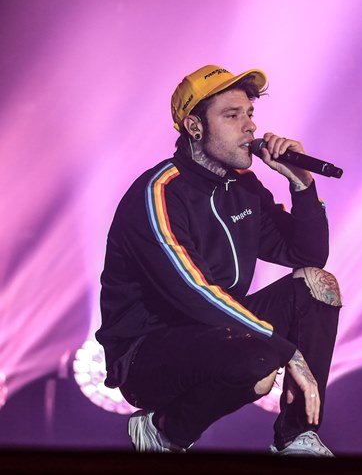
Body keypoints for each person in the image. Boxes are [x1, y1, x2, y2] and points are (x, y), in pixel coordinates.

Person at [96, 65, 341, 455]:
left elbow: (307, 254)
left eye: (250, 114)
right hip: (148, 352)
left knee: (317, 284)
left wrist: (301, 183)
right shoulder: (160, 193)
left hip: (216, 330)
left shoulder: (242, 187)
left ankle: (296, 437)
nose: (250, 126)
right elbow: (195, 292)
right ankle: (163, 431)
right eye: (232, 115)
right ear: (195, 127)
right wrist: (285, 349)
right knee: (260, 360)